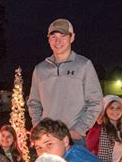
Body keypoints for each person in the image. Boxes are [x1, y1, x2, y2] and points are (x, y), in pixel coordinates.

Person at [27, 18, 103, 146]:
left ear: (72, 37)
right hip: (48, 140)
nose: (58, 41)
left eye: (63, 36)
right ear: (48, 40)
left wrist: (79, 130)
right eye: (53, 37)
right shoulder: (40, 69)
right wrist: (38, 127)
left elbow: (96, 101)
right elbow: (34, 103)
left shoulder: (83, 65)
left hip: (74, 139)